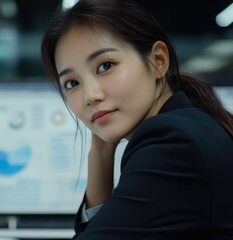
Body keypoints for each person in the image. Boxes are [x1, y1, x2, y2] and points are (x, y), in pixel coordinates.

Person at [41, 0, 233, 239]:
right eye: (72, 83)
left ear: (158, 61)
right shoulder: (190, 124)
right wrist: (100, 153)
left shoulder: (174, 144)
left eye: (105, 66)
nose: (90, 96)